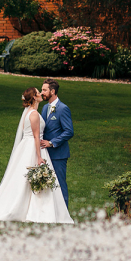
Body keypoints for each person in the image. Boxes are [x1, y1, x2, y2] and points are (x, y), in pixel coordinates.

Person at [0, 87, 73, 224]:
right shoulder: (34, 114)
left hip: (26, 147)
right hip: (33, 148)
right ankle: (36, 210)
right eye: (38, 92)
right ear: (34, 97)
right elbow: (37, 137)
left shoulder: (29, 113)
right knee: (32, 177)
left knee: (23, 178)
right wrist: (39, 157)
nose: (41, 94)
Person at [38, 79, 74, 207]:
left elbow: (69, 131)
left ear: (52, 91)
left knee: (59, 183)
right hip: (45, 153)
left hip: (59, 154)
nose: (42, 92)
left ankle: (64, 214)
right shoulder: (45, 107)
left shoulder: (63, 109)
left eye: (44, 90)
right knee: (47, 183)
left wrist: (52, 142)